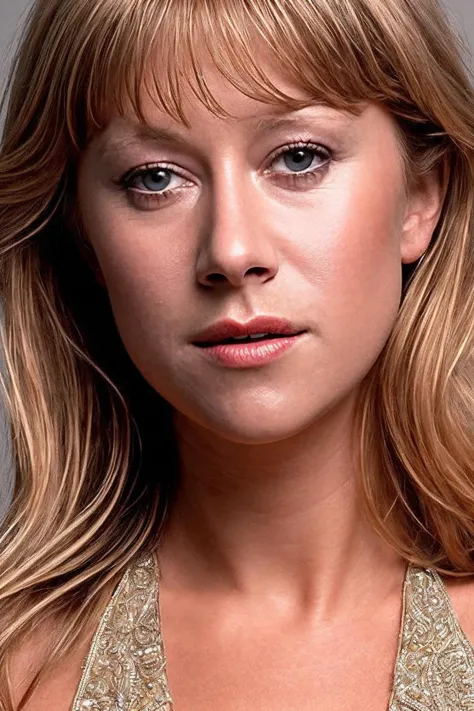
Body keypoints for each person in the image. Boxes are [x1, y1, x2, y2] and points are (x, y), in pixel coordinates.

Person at [0, 0, 474, 708]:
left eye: (298, 158)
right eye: (154, 178)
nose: (231, 251)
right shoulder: (20, 666)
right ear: (84, 234)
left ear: (421, 196)